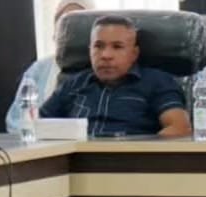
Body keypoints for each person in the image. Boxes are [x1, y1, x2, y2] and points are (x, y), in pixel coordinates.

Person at [39, 15, 191, 137]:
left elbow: (179, 128)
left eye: (117, 47)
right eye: (98, 46)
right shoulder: (73, 84)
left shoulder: (157, 82)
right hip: (72, 162)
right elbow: (36, 125)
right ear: (90, 50)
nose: (106, 55)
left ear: (134, 53)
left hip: (130, 161)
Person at [6, 0, 95, 132]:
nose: (71, 30)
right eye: (64, 22)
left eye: (78, 23)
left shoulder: (105, 68)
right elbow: (16, 121)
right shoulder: (39, 69)